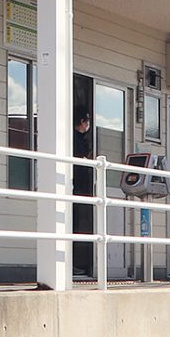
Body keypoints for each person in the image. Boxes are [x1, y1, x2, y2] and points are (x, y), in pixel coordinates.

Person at [71, 110, 96, 279]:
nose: (88, 126)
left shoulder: (78, 139)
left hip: (80, 186)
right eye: (86, 122)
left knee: (75, 223)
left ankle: (73, 264)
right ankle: (69, 265)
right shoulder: (73, 139)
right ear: (81, 121)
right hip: (75, 185)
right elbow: (79, 158)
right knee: (72, 223)